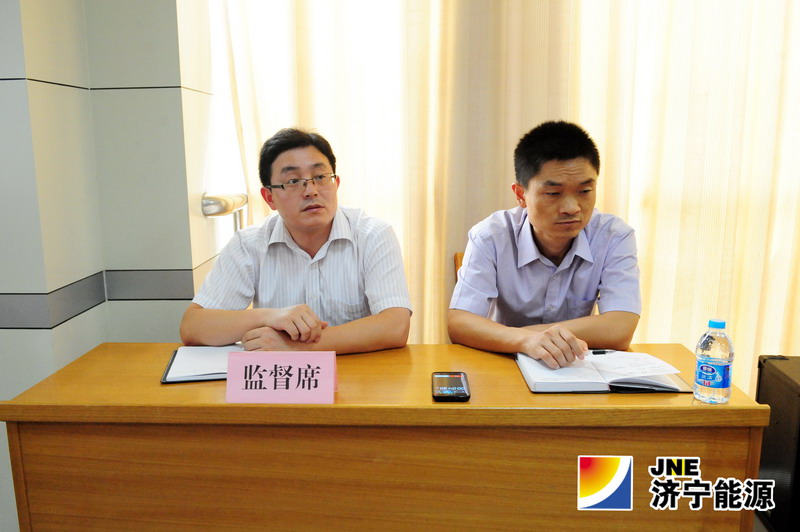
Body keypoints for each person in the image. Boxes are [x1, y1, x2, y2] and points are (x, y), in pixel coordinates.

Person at [181, 128, 412, 353]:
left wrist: (294, 347)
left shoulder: (373, 235)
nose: (311, 190)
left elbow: (395, 326)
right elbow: (193, 327)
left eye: (320, 177)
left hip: (359, 374)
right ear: (269, 197)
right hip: (283, 376)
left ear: (336, 184)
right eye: (292, 181)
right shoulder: (249, 244)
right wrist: (270, 316)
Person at [448, 121, 640, 369]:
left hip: (576, 366)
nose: (572, 208)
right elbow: (460, 322)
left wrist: (525, 336)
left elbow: (620, 327)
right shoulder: (491, 236)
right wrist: (526, 341)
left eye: (584, 191)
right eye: (553, 193)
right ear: (521, 194)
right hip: (506, 363)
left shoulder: (614, 236)